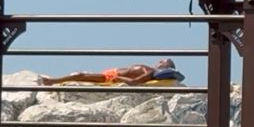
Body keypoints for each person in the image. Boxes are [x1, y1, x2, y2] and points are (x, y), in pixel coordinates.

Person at [38, 59, 184, 87]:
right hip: (111, 74)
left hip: (110, 77)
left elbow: (134, 82)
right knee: (82, 75)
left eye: (163, 62)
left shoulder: (150, 72)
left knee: (80, 75)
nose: (159, 61)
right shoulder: (150, 71)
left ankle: (52, 81)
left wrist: (117, 77)